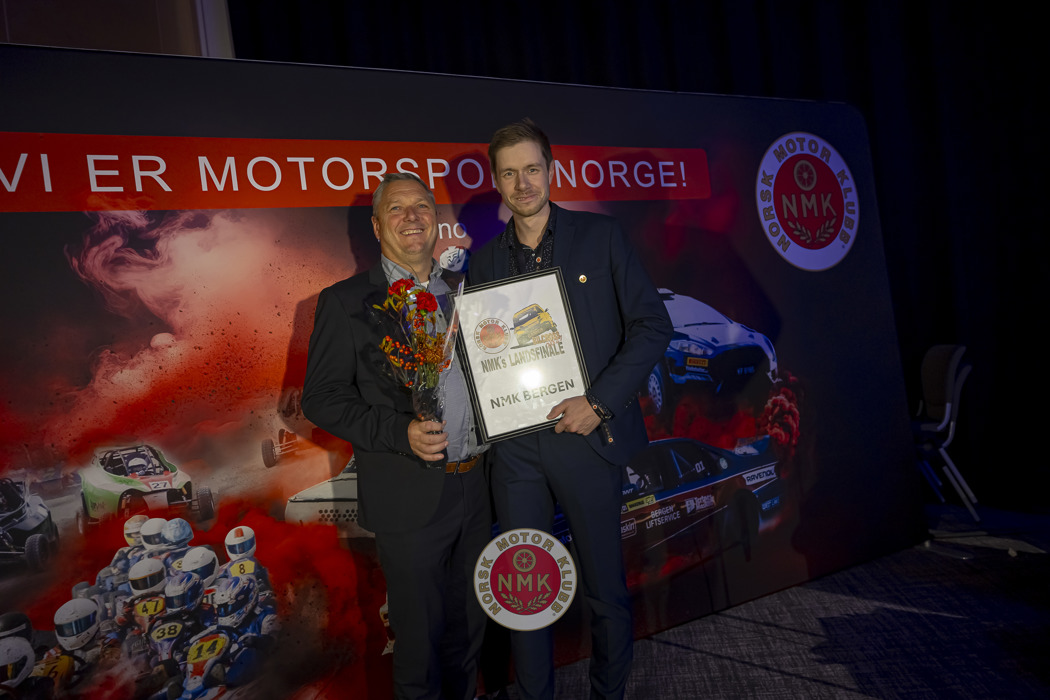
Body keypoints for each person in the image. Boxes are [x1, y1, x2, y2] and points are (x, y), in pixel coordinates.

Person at [469, 119, 672, 700]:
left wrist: (599, 403)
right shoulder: (483, 264)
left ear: (551, 170)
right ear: (496, 181)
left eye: (532, 169)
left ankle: (608, 693)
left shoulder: (601, 237)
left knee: (604, 588)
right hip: (516, 451)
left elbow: (652, 326)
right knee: (525, 595)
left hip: (586, 437)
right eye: (509, 173)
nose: (523, 183)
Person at [302, 172, 490, 700]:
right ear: (376, 226)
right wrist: (397, 431)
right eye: (397, 209)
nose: (412, 217)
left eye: (422, 206)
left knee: (469, 635)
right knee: (419, 648)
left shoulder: (469, 290)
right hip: (408, 498)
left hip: (477, 487)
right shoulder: (346, 302)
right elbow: (321, 398)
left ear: (436, 219)